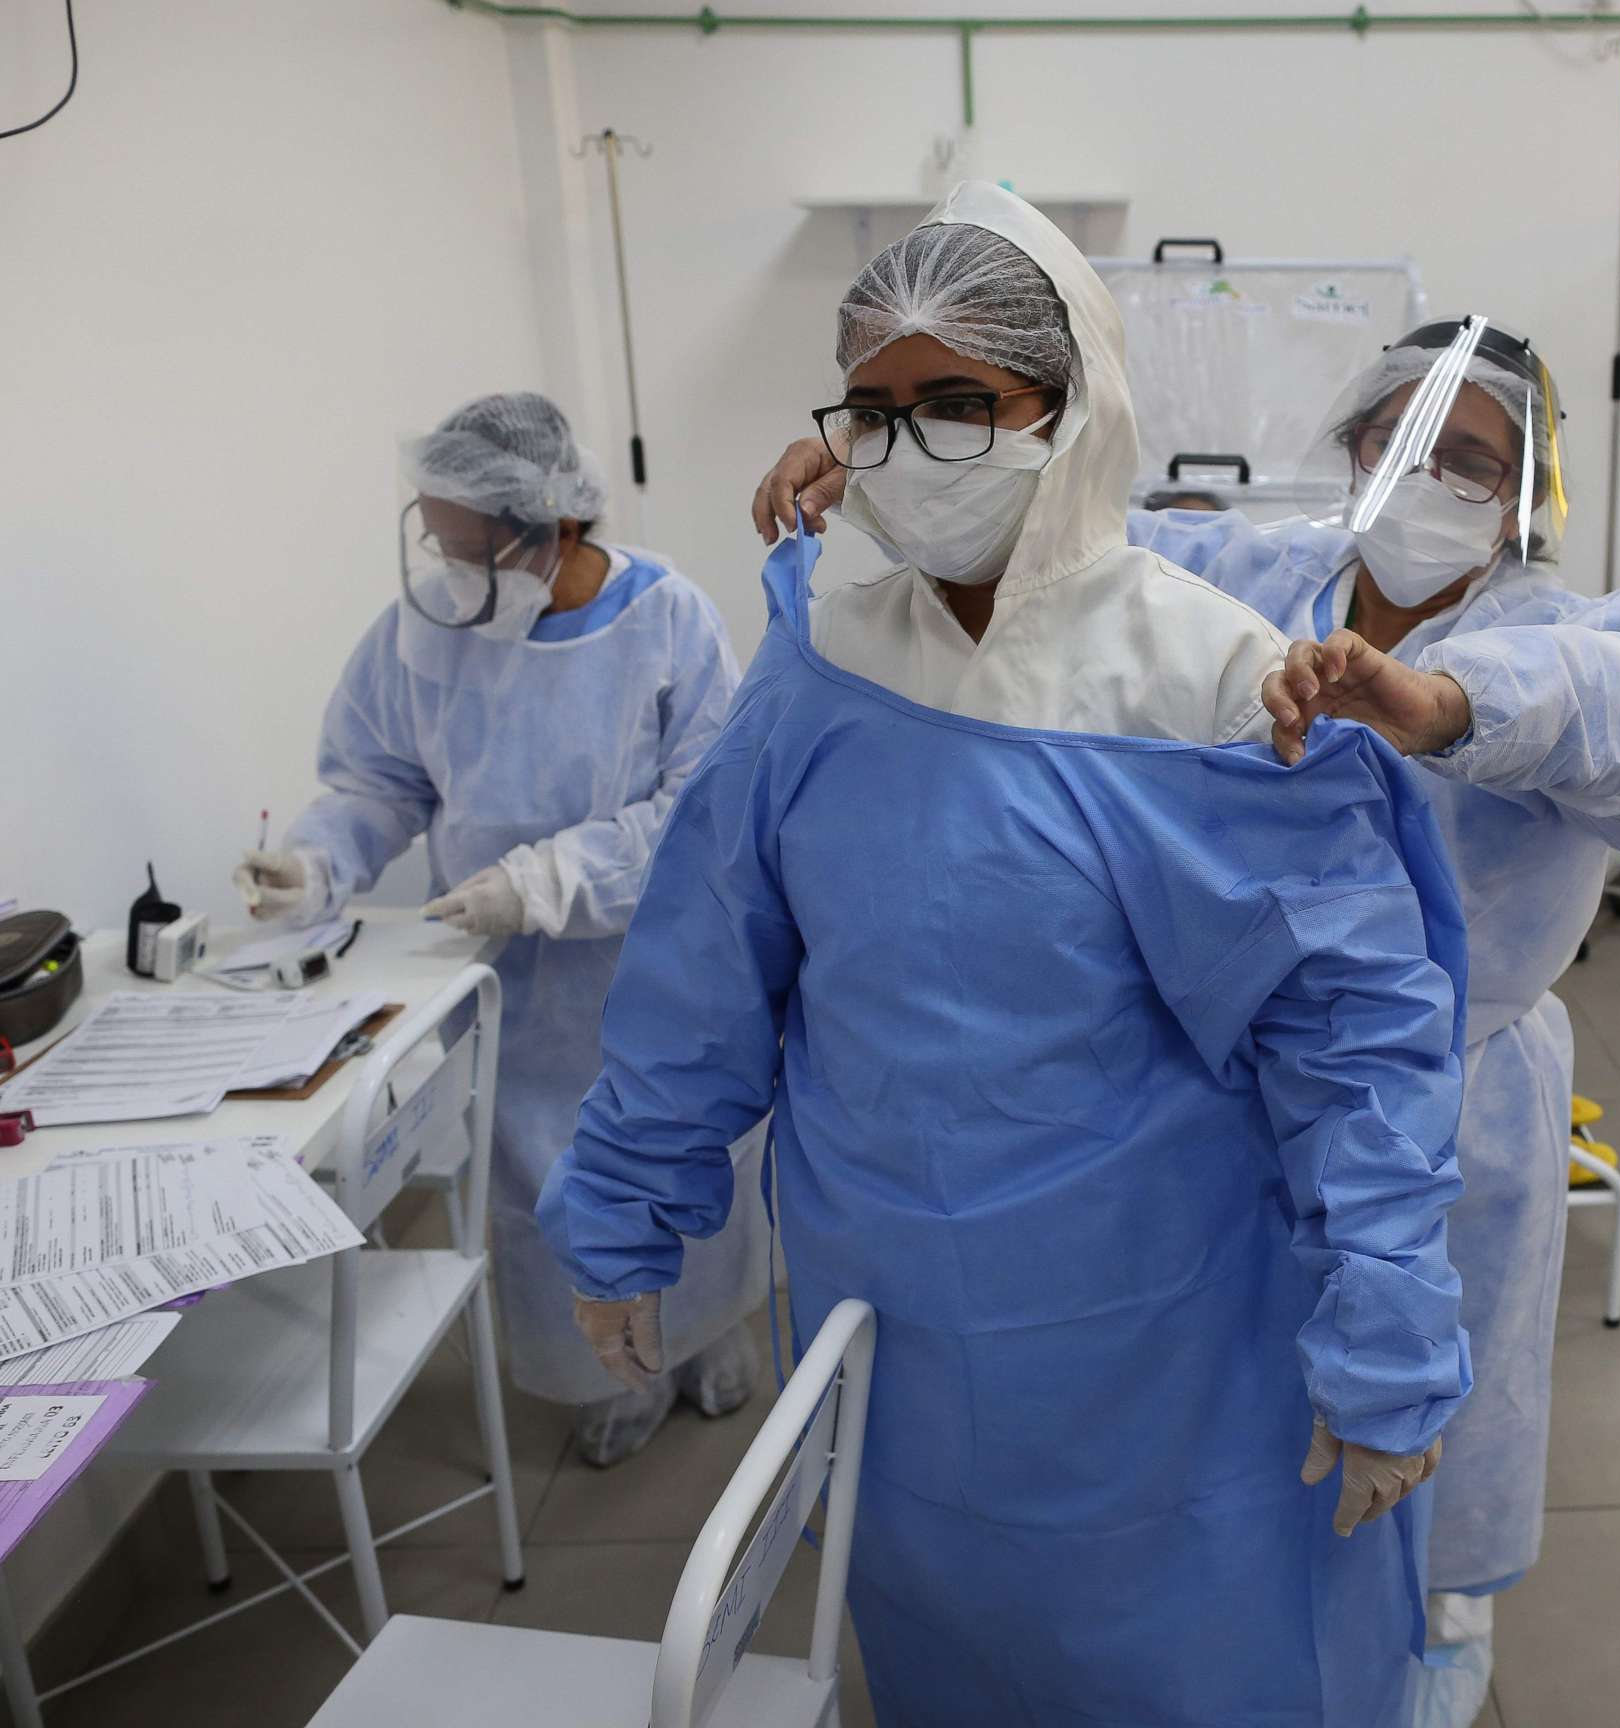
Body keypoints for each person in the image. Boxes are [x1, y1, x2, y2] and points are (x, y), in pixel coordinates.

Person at [539, 184, 1474, 1727]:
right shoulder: (826, 661)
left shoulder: (1212, 684)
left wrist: (1385, 1322)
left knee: (1191, 1668)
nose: (907, 451)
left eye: (960, 405)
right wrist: (631, 1201)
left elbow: (1355, 1042)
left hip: (1156, 1334)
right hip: (882, 1316)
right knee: (941, 1654)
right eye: (875, 412)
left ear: (1075, 407)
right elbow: (709, 958)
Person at [753, 316, 1620, 1728]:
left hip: (1454, 1095)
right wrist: (893, 470)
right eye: (1400, 444)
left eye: (1470, 459)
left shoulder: (1563, 636)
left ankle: (1438, 1630)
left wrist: (1444, 705)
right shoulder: (1265, 575)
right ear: (1351, 449)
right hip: (1234, 1087)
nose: (1427, 477)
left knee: (1431, 1405)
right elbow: (1081, 544)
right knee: (1262, 1409)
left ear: (1528, 496)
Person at [234, 393, 770, 1467]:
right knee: (542, 1179)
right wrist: (318, 862)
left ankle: (709, 1334)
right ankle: (605, 1376)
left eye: (470, 547)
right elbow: (378, 780)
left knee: (684, 1162)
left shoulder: (667, 622)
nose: (447, 566)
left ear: (552, 527)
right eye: (436, 538)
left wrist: (549, 880)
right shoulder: (424, 634)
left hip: (660, 968)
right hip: (517, 993)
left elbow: (705, 810)